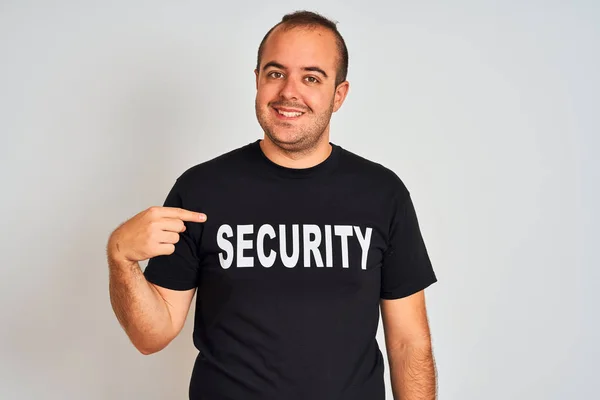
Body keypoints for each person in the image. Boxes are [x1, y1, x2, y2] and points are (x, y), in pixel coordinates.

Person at [107, 10, 438, 400]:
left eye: (311, 78)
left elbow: (409, 344)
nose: (288, 93)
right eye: (275, 73)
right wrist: (121, 260)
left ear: (339, 94)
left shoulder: (383, 193)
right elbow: (152, 335)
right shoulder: (201, 190)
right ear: (258, 80)